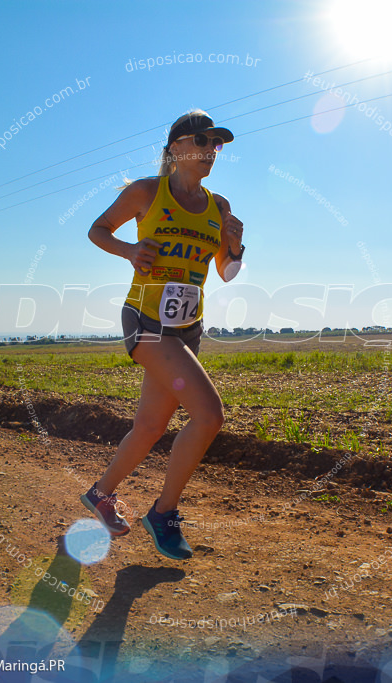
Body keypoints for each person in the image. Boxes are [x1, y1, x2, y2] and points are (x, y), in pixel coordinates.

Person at [83, 110, 245, 560]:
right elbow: (97, 230)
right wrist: (130, 250)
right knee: (210, 416)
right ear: (175, 148)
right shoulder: (147, 192)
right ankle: (164, 513)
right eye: (202, 140)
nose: (210, 150)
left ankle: (100, 493)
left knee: (151, 426)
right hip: (146, 322)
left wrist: (234, 245)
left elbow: (228, 273)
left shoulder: (219, 206)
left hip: (187, 330)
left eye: (216, 144)